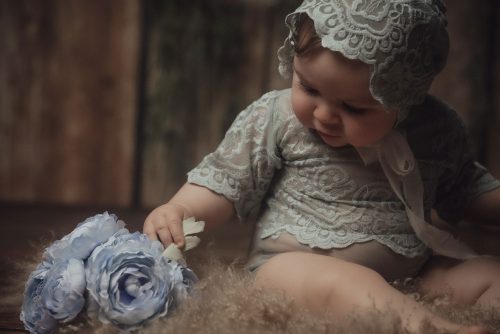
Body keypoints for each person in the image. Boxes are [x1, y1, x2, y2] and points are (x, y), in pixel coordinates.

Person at [144, 0, 500, 332]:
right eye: (308, 87)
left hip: (410, 273)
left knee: (490, 274)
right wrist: (180, 209)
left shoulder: (433, 128)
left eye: (355, 108)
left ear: (405, 98)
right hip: (290, 270)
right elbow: (223, 181)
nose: (325, 114)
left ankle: (416, 309)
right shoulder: (277, 119)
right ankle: (420, 325)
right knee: (345, 282)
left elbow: (466, 188)